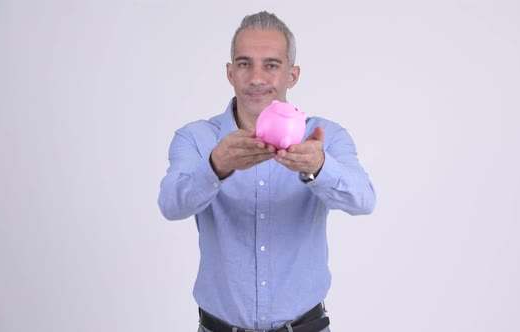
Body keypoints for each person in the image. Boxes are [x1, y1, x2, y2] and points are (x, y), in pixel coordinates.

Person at [158, 11, 376, 332]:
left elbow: (364, 199)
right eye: (245, 64)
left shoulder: (324, 137)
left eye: (271, 65)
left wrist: (319, 167)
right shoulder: (196, 138)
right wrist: (216, 166)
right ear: (230, 72)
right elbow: (170, 204)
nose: (257, 77)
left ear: (292, 75)